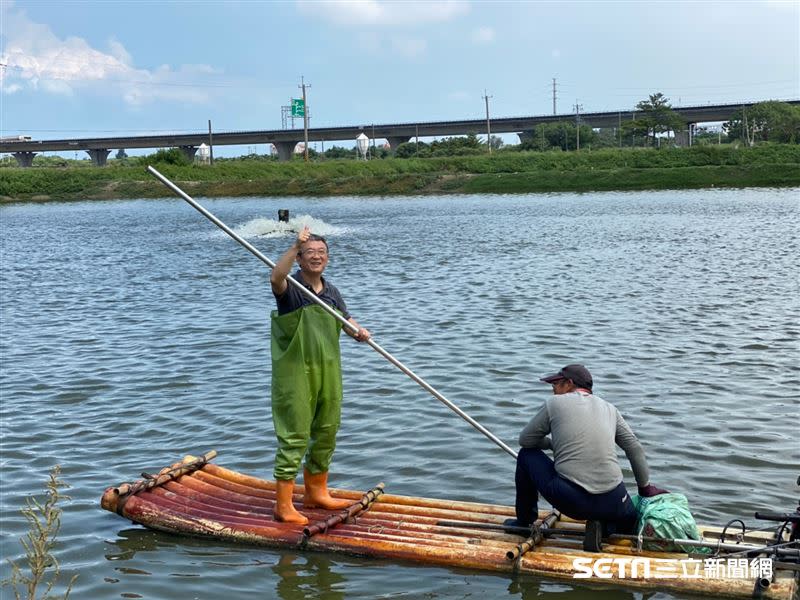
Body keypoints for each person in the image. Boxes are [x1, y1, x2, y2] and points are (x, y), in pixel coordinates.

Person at [269, 225, 370, 524]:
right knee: (295, 434)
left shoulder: (332, 291)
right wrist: (292, 245)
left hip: (328, 369)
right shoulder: (291, 287)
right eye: (310, 253)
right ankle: (283, 506)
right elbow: (276, 277)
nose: (317, 257)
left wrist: (358, 331)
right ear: (299, 258)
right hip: (296, 373)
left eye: (321, 253)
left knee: (327, 429)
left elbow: (346, 320)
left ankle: (315, 492)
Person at [508, 364, 667, 542]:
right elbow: (634, 447)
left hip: (574, 503)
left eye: (556, 383)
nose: (552, 388)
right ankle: (607, 525)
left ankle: (524, 523)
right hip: (615, 503)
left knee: (526, 455)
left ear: (569, 383)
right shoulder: (610, 408)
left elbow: (525, 440)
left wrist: (551, 444)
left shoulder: (554, 404)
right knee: (624, 515)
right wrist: (645, 489)